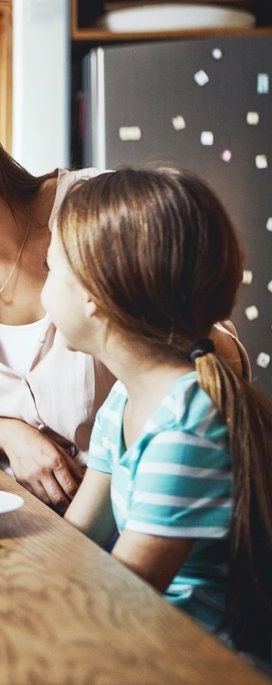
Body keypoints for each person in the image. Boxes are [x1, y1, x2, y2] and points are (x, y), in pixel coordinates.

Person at [0, 76, 244, 507]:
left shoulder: (93, 208)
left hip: (139, 502)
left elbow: (215, 355)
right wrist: (9, 434)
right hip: (15, 507)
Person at [45, 168, 271, 661]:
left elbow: (126, 591)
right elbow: (78, 543)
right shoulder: (123, 401)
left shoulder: (189, 424)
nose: (43, 295)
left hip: (193, 660)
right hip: (140, 642)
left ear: (93, 298)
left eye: (50, 273)